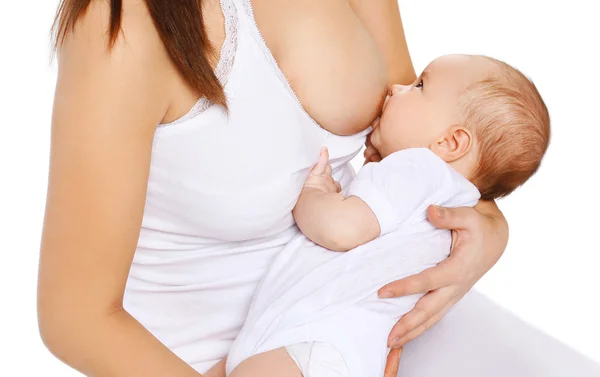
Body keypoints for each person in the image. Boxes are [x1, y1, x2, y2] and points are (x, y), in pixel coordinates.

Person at [36, 1, 600, 377]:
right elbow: (74, 317)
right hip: (207, 360)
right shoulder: (124, 23)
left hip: (366, 316)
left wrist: (490, 232)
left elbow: (430, 150)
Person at [224, 54, 551, 377]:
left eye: (419, 85)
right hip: (343, 352)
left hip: (318, 345)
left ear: (450, 142)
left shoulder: (419, 169)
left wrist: (313, 191)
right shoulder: (451, 199)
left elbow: (342, 229)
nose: (396, 87)